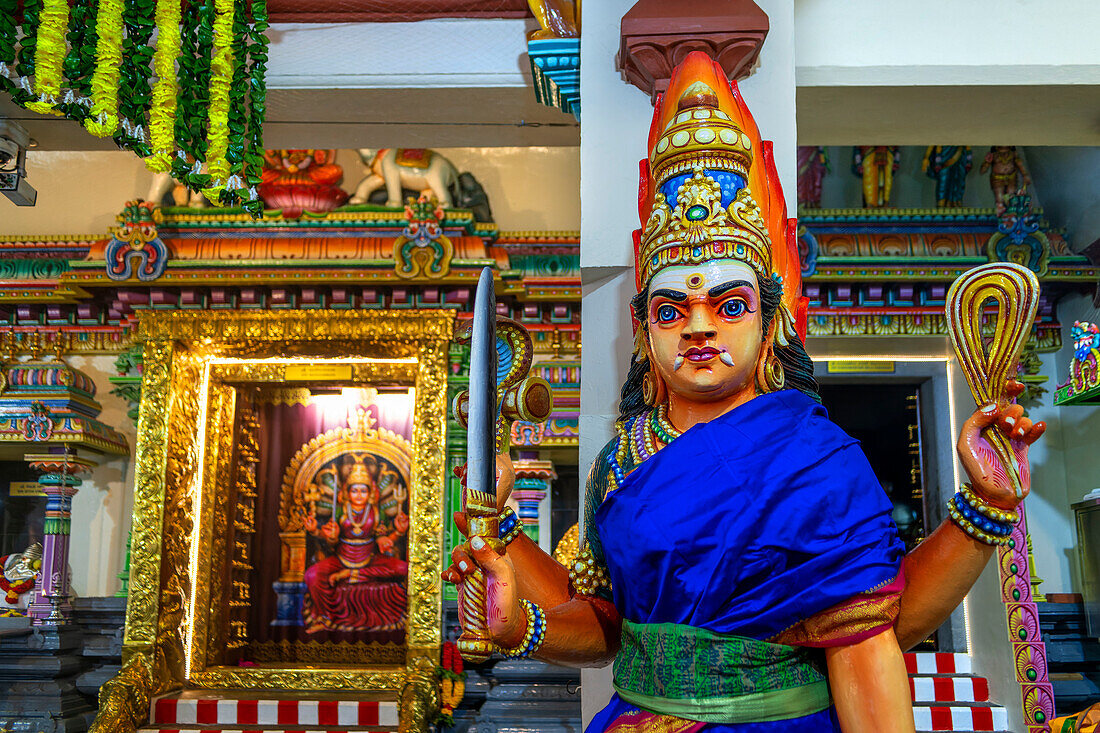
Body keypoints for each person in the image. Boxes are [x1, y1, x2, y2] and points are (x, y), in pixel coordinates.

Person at [444, 52, 1045, 732]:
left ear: (771, 318)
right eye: (671, 310)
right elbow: (610, 625)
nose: (697, 326)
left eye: (728, 305)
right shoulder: (622, 460)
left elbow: (874, 631)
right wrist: (519, 620)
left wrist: (984, 508)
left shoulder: (815, 458)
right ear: (645, 331)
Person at [302, 459, 409, 633]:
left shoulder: (376, 511)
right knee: (312, 575)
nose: (359, 494)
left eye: (363, 490)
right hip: (342, 558)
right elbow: (329, 535)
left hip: (370, 559)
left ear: (370, 492)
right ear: (347, 492)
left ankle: (353, 574)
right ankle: (326, 617)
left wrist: (397, 532)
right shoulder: (340, 511)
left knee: (404, 569)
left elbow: (382, 537)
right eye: (354, 490)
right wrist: (316, 531)